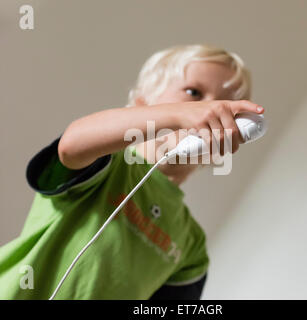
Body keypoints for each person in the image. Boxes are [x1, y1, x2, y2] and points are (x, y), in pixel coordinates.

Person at [0, 44, 263, 299]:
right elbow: (72, 146)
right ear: (141, 105)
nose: (212, 110)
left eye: (225, 104)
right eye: (194, 93)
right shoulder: (110, 164)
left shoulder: (191, 246)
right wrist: (181, 115)